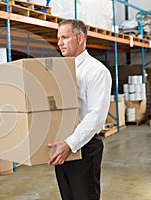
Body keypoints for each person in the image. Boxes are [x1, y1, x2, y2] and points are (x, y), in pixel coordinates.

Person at [47, 19, 112, 200]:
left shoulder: (96, 71)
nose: (59, 43)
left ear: (80, 38)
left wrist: (70, 144)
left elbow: (96, 116)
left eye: (65, 37)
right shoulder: (60, 70)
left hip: (83, 147)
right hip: (63, 146)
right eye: (58, 38)